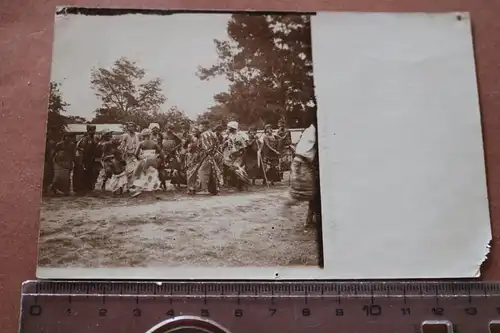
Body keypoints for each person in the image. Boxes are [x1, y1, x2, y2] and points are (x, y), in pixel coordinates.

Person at [283, 119, 319, 228]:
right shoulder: (315, 130)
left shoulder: (309, 130)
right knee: (307, 192)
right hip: (303, 163)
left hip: (302, 162)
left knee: (313, 192)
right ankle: (287, 204)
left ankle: (310, 219)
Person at [186, 120, 223, 195]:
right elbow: (218, 144)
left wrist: (202, 156)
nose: (199, 128)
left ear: (204, 126)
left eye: (200, 126)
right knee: (213, 172)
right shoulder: (213, 134)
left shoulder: (204, 135)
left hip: (206, 155)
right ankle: (215, 189)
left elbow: (205, 148)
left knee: (202, 172)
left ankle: (204, 189)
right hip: (213, 155)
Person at [129, 128, 163, 197]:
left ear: (143, 136)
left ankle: (138, 190)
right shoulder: (154, 144)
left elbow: (136, 154)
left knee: (142, 175)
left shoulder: (141, 143)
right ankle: (152, 191)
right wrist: (158, 159)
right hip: (152, 160)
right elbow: (161, 153)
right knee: (152, 174)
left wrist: (140, 158)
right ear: (150, 135)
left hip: (144, 160)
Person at [223, 121, 250, 190]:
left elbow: (244, 147)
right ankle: (237, 184)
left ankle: (243, 184)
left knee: (238, 169)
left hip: (238, 154)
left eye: (229, 128)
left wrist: (240, 155)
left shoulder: (239, 136)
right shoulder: (230, 136)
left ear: (233, 128)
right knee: (233, 169)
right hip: (232, 155)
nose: (228, 129)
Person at [75, 125, 100, 194]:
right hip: (85, 159)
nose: (93, 132)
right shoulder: (84, 139)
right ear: (88, 131)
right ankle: (83, 188)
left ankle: (89, 187)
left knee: (92, 173)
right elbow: (78, 147)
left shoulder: (95, 139)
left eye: (94, 130)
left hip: (92, 159)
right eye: (91, 130)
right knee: (84, 173)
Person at [119, 122, 140, 189]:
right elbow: (122, 147)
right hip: (128, 156)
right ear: (127, 128)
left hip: (136, 155)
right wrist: (123, 155)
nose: (131, 128)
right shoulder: (125, 135)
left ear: (135, 127)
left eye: (132, 126)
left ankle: (133, 185)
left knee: (137, 170)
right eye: (129, 126)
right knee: (129, 171)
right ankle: (129, 186)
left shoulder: (137, 135)